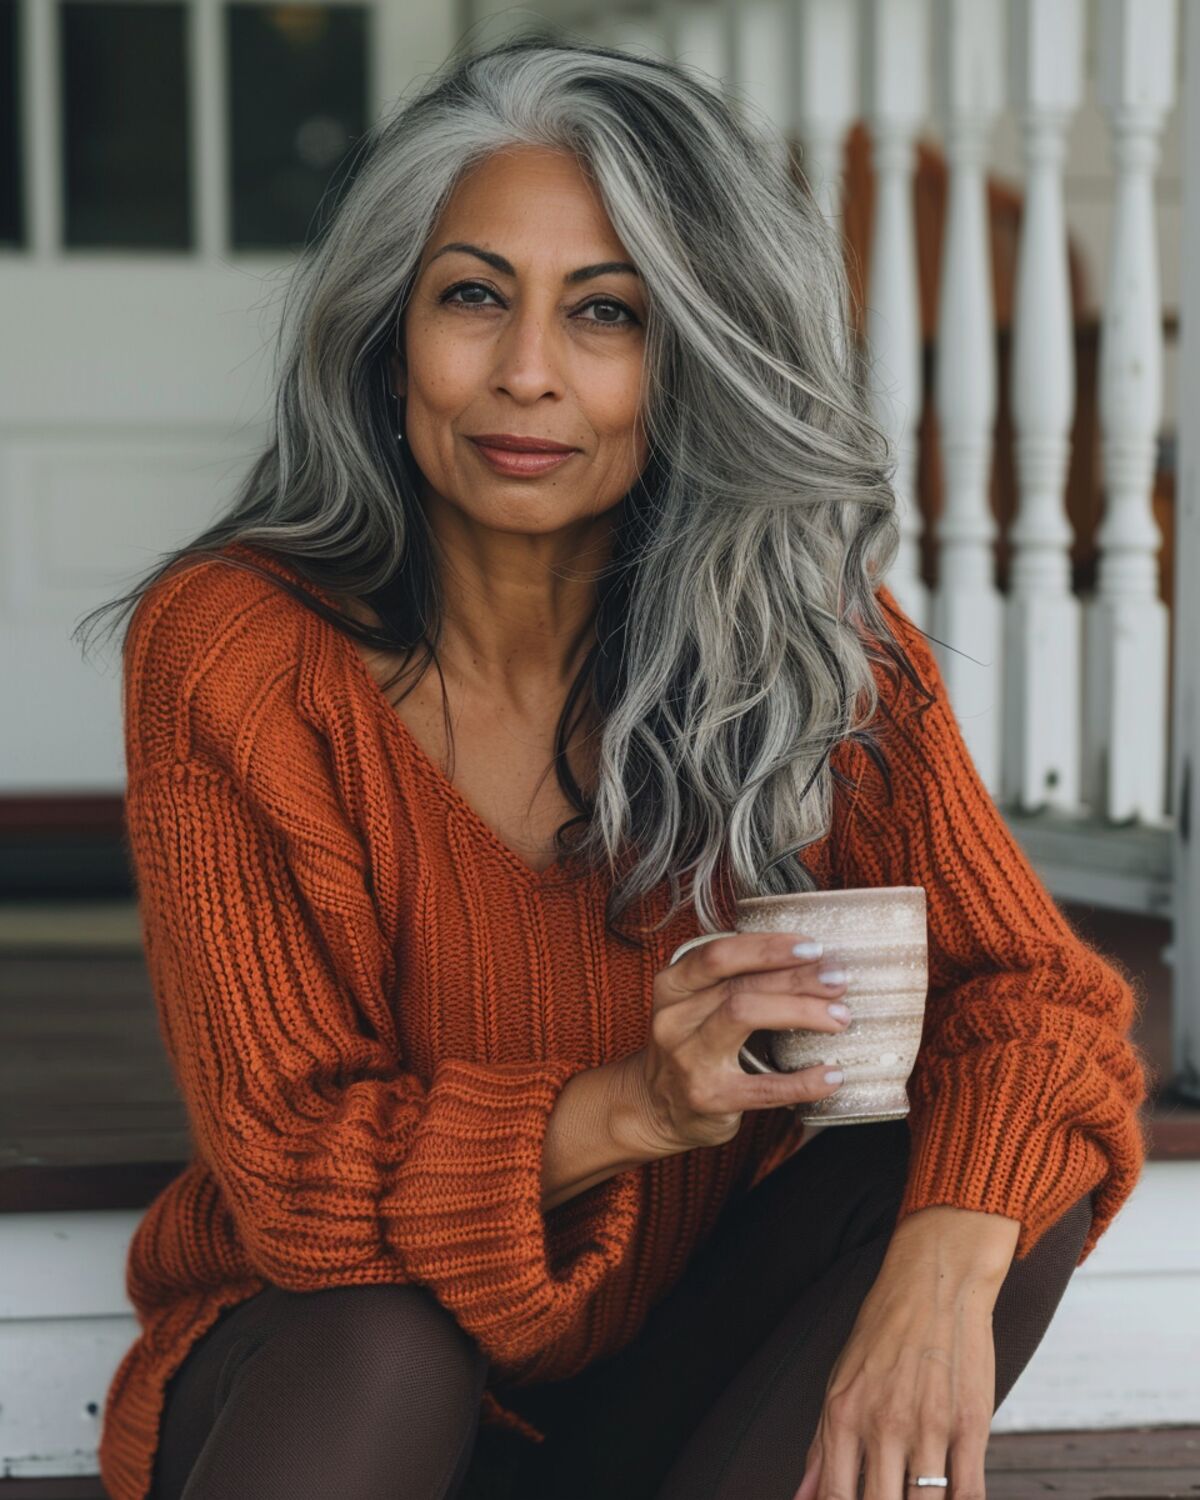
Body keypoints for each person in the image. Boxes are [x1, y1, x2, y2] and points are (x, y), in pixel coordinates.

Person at [81, 33, 1150, 1500]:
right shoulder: (237, 649)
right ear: (387, 328)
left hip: (657, 1385)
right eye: (473, 297)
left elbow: (1044, 1012)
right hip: (334, 1377)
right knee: (390, 1342)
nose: (527, 374)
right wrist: (639, 1104)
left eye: (608, 314)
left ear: (694, 353)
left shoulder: (810, 646)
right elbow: (293, 1180)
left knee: (981, 1175)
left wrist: (941, 1282)